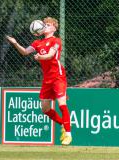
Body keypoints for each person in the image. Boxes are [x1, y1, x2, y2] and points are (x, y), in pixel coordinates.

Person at [6, 17, 72, 145]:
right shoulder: (37, 43)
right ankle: (64, 125)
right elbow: (25, 52)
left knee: (62, 104)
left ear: (54, 28)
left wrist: (41, 57)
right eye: (45, 24)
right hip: (47, 79)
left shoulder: (56, 40)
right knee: (45, 109)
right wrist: (15, 43)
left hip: (58, 76)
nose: (46, 25)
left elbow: (51, 55)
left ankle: (68, 134)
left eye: (49, 24)